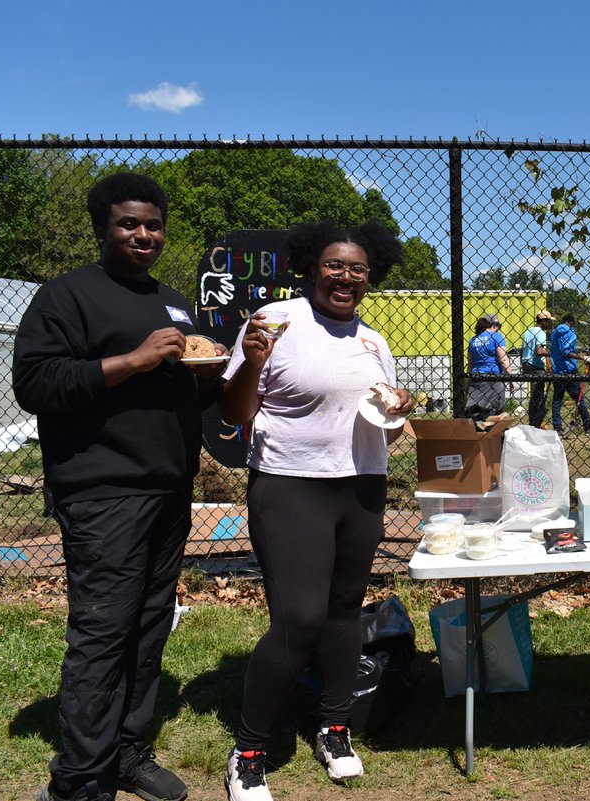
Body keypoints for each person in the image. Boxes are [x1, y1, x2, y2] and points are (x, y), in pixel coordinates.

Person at [14, 173, 223, 801]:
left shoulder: (174, 301)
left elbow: (192, 389)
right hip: (103, 490)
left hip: (168, 486)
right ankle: (79, 780)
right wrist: (133, 359)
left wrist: (216, 367)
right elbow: (36, 385)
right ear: (102, 227)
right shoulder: (66, 297)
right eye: (129, 224)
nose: (143, 235)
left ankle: (128, 753)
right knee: (104, 632)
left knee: (150, 625)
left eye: (153, 224)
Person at [218, 220, 413, 801]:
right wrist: (252, 361)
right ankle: (249, 750)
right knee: (299, 618)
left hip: (360, 489)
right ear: (311, 268)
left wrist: (398, 410)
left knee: (343, 610)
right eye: (335, 265)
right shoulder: (277, 323)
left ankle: (335, 726)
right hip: (289, 486)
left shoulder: (375, 342)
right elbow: (232, 411)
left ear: (370, 275)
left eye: (357, 269)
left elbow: (386, 430)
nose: (346, 278)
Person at [549, 313, 590, 437]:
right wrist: (583, 358)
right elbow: (567, 351)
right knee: (579, 398)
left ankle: (557, 428)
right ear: (570, 322)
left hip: (556, 370)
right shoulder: (569, 332)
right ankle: (588, 426)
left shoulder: (555, 332)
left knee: (557, 400)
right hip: (568, 370)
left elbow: (557, 350)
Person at [464, 313, 512, 421]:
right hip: (493, 377)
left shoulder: (473, 340)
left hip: (476, 377)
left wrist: (467, 382)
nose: (498, 330)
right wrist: (511, 378)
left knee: (475, 409)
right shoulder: (496, 337)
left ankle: (477, 430)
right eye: (498, 327)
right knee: (495, 409)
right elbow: (503, 359)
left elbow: (470, 363)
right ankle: (492, 431)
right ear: (494, 325)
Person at [521, 309, 554, 427]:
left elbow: (523, 351)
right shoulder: (540, 332)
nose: (549, 324)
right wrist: (551, 353)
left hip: (526, 364)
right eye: (548, 322)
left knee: (534, 393)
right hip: (536, 365)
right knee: (538, 395)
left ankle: (534, 420)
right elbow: (539, 351)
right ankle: (535, 421)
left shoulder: (527, 332)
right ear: (543, 321)